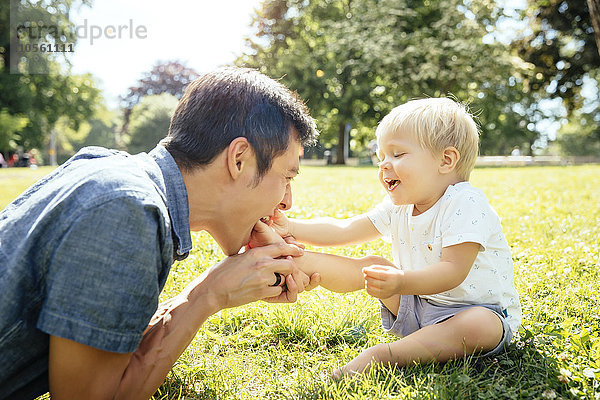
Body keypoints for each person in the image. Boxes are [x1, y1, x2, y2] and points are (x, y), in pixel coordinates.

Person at [0, 67, 324, 400]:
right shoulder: (127, 211)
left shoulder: (114, 173)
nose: (286, 202)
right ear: (239, 159)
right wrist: (210, 295)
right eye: (286, 177)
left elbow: (114, 342)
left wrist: (210, 287)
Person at [264, 97, 522, 378]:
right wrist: (290, 228)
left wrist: (401, 282)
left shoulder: (465, 203)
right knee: (373, 264)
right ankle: (291, 262)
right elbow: (346, 229)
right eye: (382, 156)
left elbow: (453, 271)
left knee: (481, 324)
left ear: (446, 160)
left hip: (471, 313)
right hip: (417, 305)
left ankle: (383, 356)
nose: (384, 165)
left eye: (397, 155)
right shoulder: (400, 206)